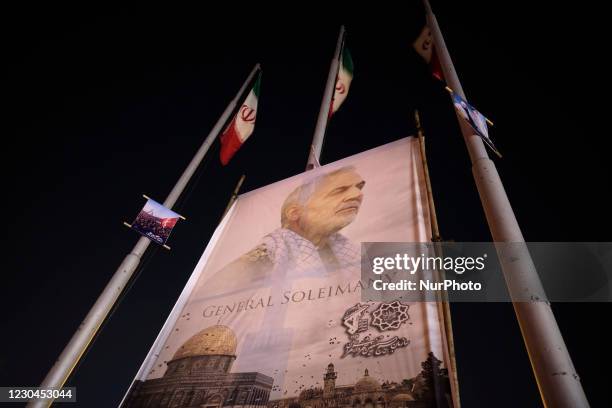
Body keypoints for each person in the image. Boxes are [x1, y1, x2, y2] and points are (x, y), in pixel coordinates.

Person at [205, 166, 366, 293]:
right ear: (295, 213)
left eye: (359, 187)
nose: (357, 194)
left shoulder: (355, 253)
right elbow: (208, 300)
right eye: (339, 191)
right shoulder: (260, 260)